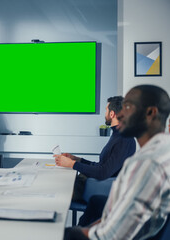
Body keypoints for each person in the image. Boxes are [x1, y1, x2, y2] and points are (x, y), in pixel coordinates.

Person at [65, 84, 170, 240]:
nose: (120, 115)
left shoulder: (147, 164)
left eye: (127, 107)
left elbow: (111, 235)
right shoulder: (161, 149)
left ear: (150, 113)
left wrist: (74, 233)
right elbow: (123, 214)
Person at [54, 96, 136, 201]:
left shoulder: (124, 139)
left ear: (112, 114)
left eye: (106, 110)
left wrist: (72, 164)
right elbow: (101, 166)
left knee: (56, 190)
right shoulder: (118, 135)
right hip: (95, 184)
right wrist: (76, 159)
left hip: (100, 189)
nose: (105, 114)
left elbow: (103, 172)